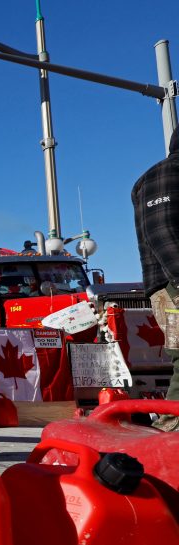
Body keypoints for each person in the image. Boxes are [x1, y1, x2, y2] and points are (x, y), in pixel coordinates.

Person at [132, 128, 179, 430]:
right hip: (173, 285)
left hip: (166, 285)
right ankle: (172, 425)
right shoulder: (168, 175)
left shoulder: (146, 180)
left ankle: (172, 423)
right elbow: (163, 233)